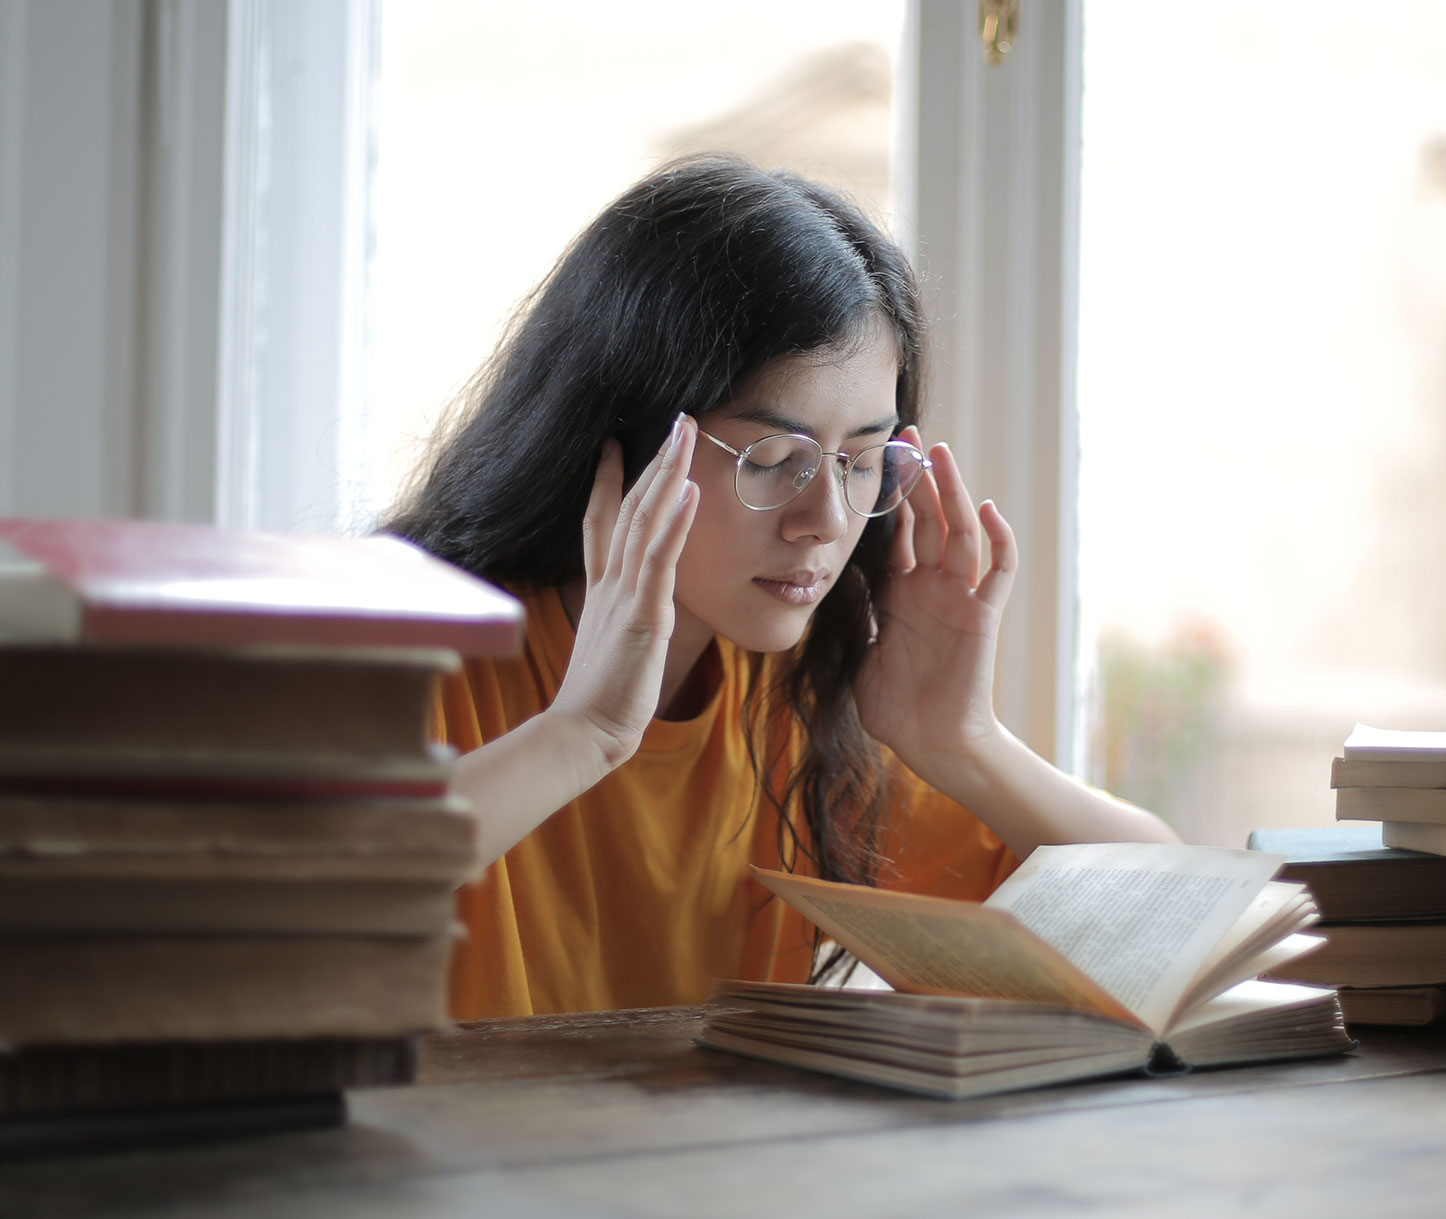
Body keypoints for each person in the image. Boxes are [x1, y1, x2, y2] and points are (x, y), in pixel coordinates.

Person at [385, 155, 1178, 1020]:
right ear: (619, 443)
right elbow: (267, 904)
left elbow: (1165, 916)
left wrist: (962, 741)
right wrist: (585, 732)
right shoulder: (414, 655)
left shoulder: (789, 698)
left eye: (863, 462)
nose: (827, 519)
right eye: (771, 461)